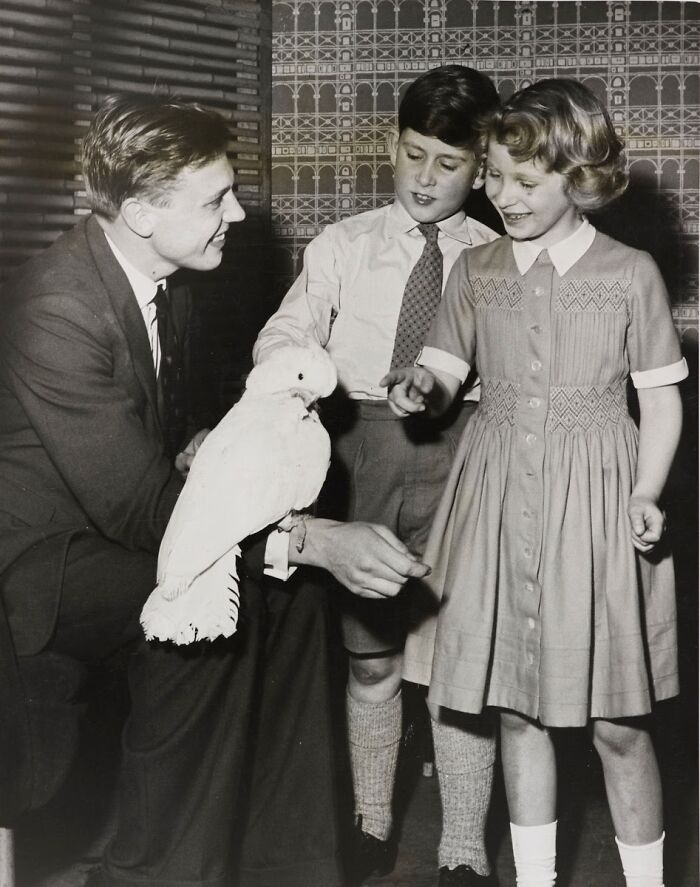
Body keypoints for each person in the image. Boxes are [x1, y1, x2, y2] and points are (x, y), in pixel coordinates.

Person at [0, 93, 430, 887]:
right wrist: (311, 536)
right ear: (139, 212)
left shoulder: (168, 278)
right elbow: (140, 509)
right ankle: (153, 873)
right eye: (215, 199)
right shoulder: (58, 305)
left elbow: (161, 449)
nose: (236, 211)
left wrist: (203, 444)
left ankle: (287, 867)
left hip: (112, 529)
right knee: (213, 607)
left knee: (293, 594)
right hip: (40, 566)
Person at [384, 78, 687, 887]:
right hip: (496, 492)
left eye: (527, 181)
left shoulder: (631, 273)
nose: (501, 195)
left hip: (596, 504)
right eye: (492, 174)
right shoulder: (475, 269)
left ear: (579, 178)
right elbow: (446, 369)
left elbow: (660, 401)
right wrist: (423, 386)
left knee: (617, 722)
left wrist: (647, 492)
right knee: (518, 709)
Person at [254, 65, 500, 886]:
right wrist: (289, 370)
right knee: (372, 654)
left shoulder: (498, 257)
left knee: (465, 659)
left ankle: (463, 843)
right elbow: (289, 329)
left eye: (450, 163)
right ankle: (369, 819)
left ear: (484, 162)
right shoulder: (344, 244)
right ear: (393, 146)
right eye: (413, 153)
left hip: (467, 453)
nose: (426, 179)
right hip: (362, 448)